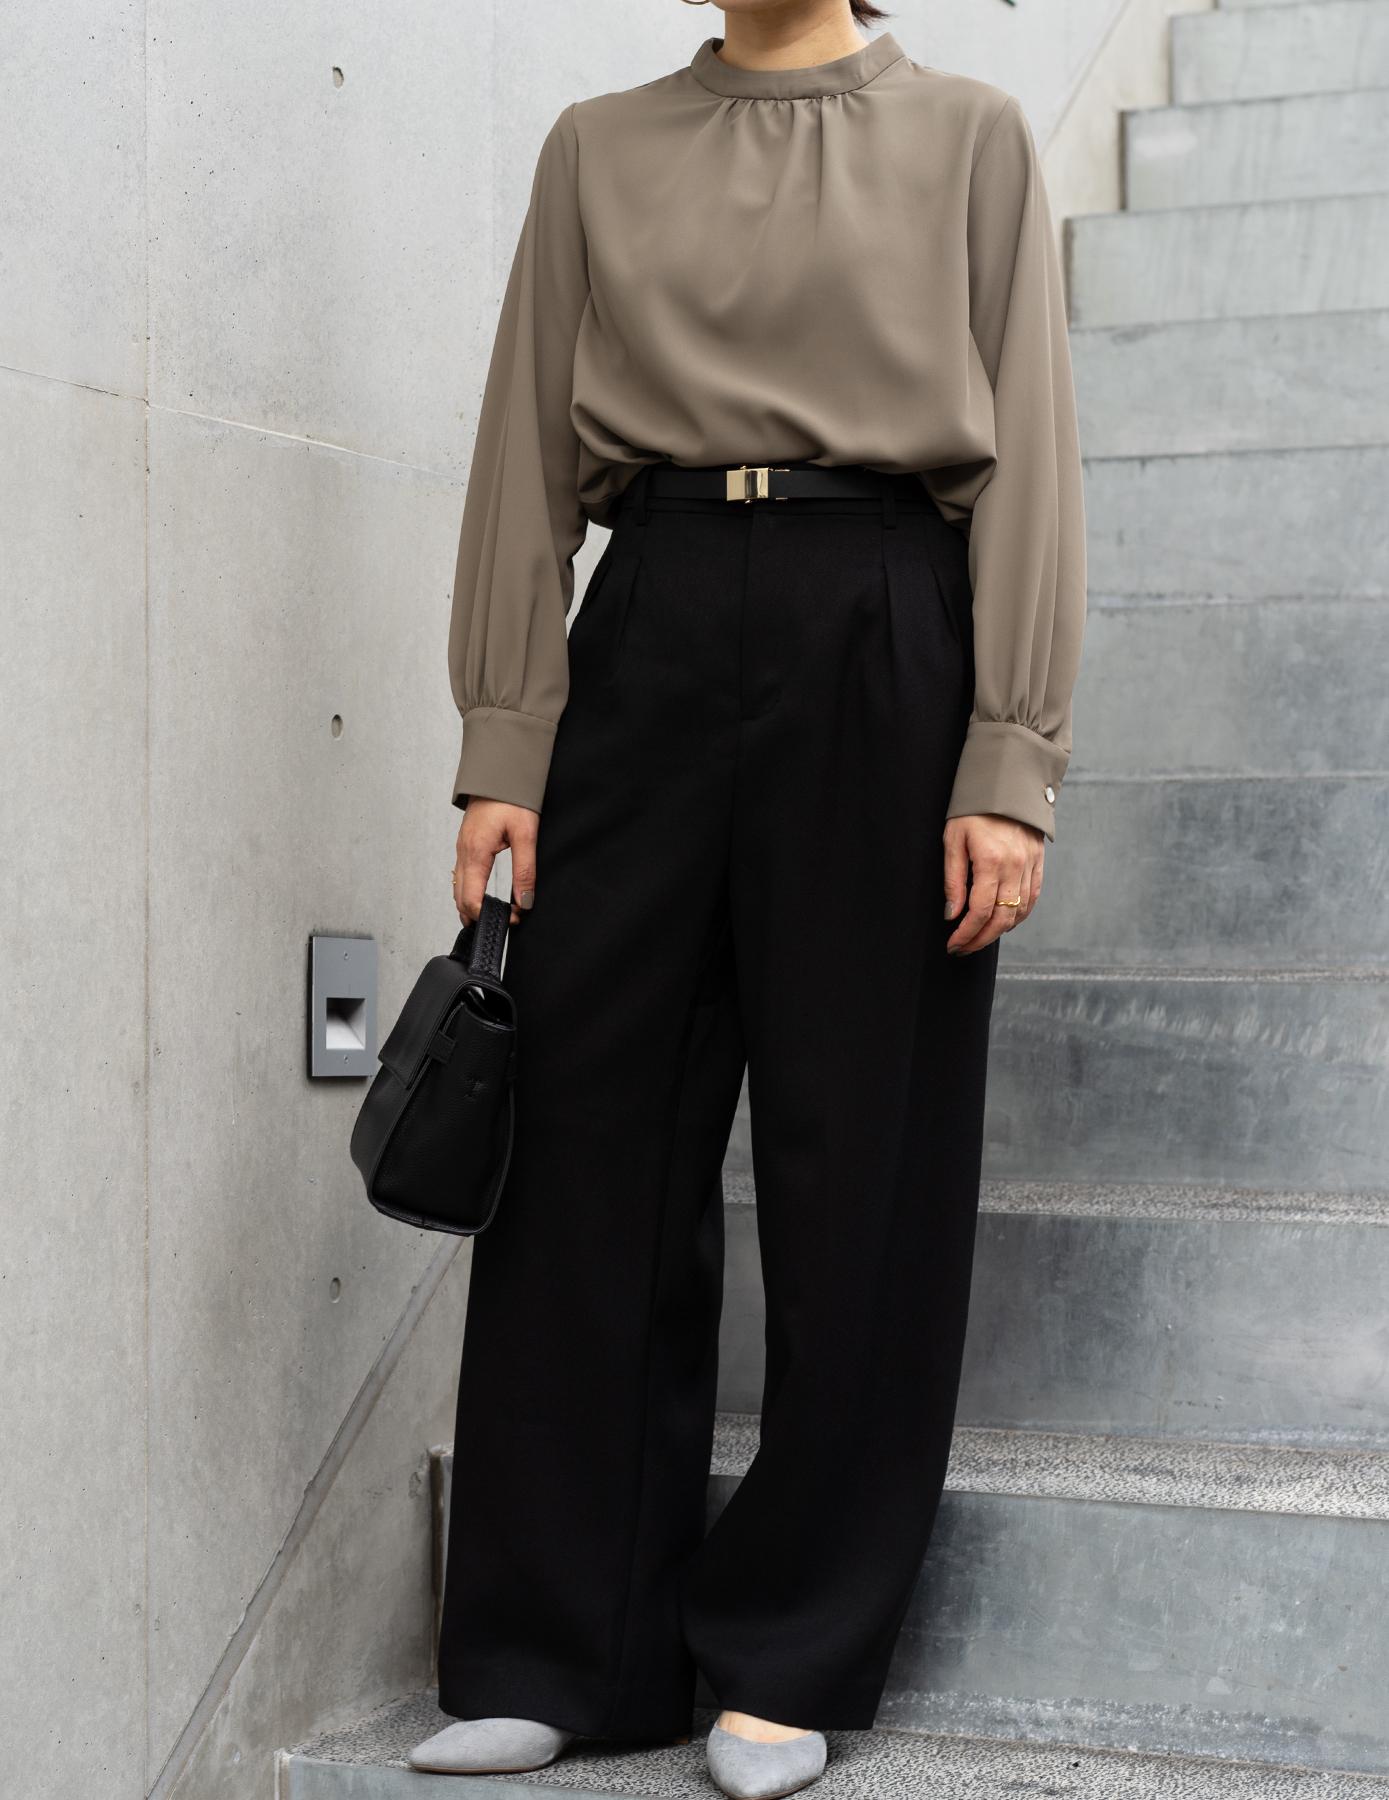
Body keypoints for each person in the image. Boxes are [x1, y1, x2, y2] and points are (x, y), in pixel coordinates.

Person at [410, 2, 1086, 1794]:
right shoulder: (596, 146)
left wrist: (1008, 757)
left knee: (862, 1156)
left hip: (884, 618)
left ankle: (789, 1652)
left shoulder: (969, 136)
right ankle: (560, 1647)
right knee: (583, 1140)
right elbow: (523, 457)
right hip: (647, 617)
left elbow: (1028, 454)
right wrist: (505, 736)